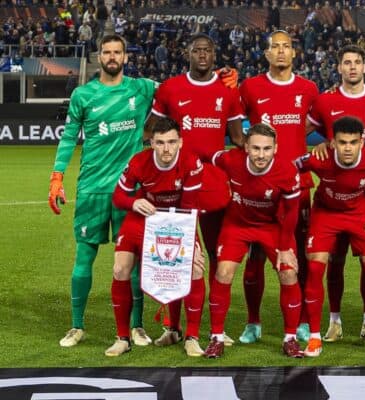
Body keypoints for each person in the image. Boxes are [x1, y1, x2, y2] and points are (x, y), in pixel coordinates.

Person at [49, 34, 157, 348]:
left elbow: (181, 90)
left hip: (130, 191)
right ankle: (76, 326)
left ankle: (136, 326)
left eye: (117, 52)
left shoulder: (142, 88)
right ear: (100, 57)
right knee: (84, 256)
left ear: (126, 57)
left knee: (133, 262)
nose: (112, 57)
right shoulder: (83, 95)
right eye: (106, 52)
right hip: (92, 188)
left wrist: (218, 84)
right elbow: (69, 137)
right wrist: (57, 177)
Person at [144, 33, 245, 348]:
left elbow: (238, 139)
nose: (202, 54)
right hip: (174, 187)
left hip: (213, 186)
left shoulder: (228, 91)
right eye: (197, 49)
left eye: (208, 50)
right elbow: (151, 131)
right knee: (173, 257)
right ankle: (173, 328)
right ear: (187, 52)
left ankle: (217, 328)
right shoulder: (171, 88)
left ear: (214, 55)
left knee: (216, 256)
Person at [105, 117, 230, 357]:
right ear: (151, 143)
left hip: (178, 219)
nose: (166, 149)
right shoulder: (138, 162)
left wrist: (192, 244)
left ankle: (190, 336)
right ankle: (122, 338)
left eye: (172, 142)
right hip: (143, 217)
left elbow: (190, 207)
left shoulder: (191, 163)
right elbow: (118, 197)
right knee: (120, 269)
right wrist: (134, 202)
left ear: (180, 142)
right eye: (160, 142)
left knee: (194, 267)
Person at [306, 44, 365, 342]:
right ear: (339, 68)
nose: (353, 67)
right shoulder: (325, 101)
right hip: (332, 197)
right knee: (335, 263)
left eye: (357, 62)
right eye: (347, 62)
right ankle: (335, 320)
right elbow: (298, 130)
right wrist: (318, 145)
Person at [237, 30, 318, 344]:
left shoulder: (308, 89)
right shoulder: (251, 87)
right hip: (258, 187)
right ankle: (253, 322)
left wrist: (308, 144)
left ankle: (303, 323)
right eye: (275, 47)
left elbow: (319, 123)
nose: (281, 52)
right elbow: (235, 123)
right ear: (266, 53)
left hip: (299, 186)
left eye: (287, 47)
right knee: (254, 257)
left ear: (294, 53)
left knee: (301, 257)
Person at [204, 123, 304, 359]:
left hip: (273, 227)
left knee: (288, 272)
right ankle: (216, 337)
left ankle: (290, 338)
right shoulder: (230, 160)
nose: (261, 154)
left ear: (275, 148)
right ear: (246, 146)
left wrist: (285, 247)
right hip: (236, 225)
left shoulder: (287, 172)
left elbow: (291, 212)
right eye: (256, 148)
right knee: (223, 272)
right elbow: (206, 157)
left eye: (267, 149)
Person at [298, 116, 365, 358]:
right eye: (342, 142)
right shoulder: (319, 159)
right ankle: (314, 338)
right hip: (325, 214)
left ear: (362, 142)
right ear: (332, 143)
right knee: (316, 267)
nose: (348, 148)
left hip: (360, 213)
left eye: (353, 142)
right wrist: (295, 202)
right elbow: (290, 168)